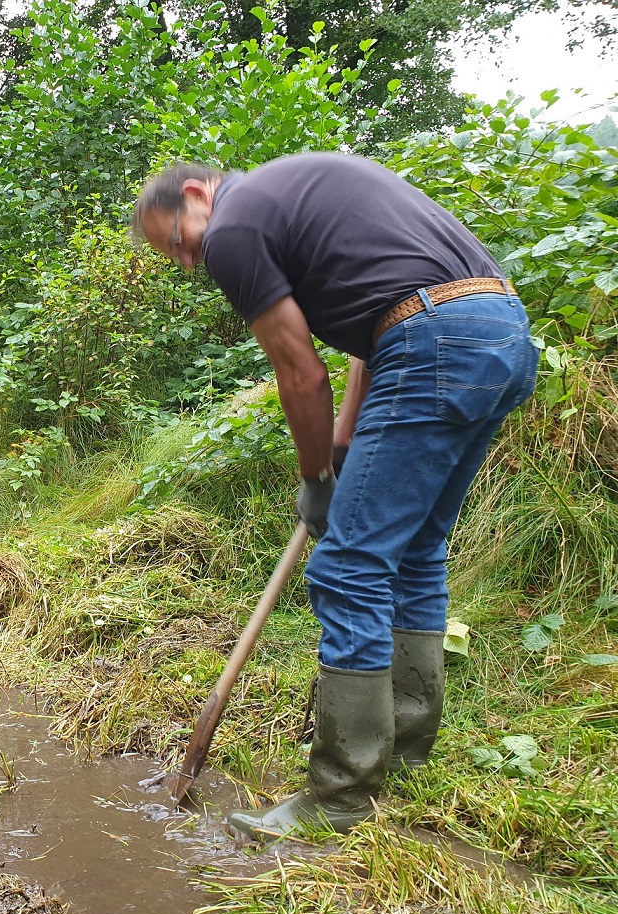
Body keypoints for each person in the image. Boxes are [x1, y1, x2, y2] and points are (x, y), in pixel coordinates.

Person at [133, 154, 539, 840]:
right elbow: (368, 341)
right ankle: (404, 757)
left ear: (198, 194)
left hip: (433, 338)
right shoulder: (302, 200)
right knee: (414, 551)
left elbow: (300, 373)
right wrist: (344, 454)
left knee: (349, 565)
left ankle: (342, 794)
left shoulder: (235, 224)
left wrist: (316, 478)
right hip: (496, 332)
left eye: (177, 240)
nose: (188, 261)